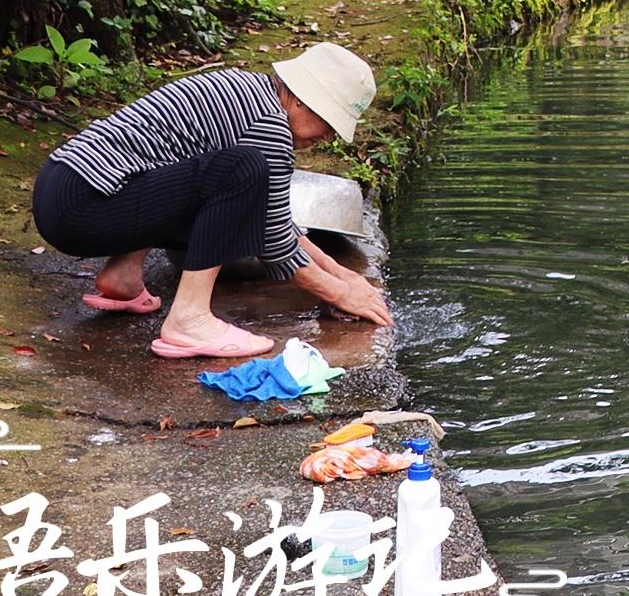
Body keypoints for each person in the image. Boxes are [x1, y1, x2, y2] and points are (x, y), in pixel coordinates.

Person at [29, 42, 394, 359]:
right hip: (83, 204)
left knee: (222, 176)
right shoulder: (269, 124)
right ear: (302, 98)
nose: (328, 137)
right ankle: (190, 319)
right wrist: (339, 293)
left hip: (60, 189)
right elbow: (273, 243)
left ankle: (123, 276)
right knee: (243, 170)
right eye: (330, 122)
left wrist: (345, 275)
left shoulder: (250, 90)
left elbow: (274, 218)